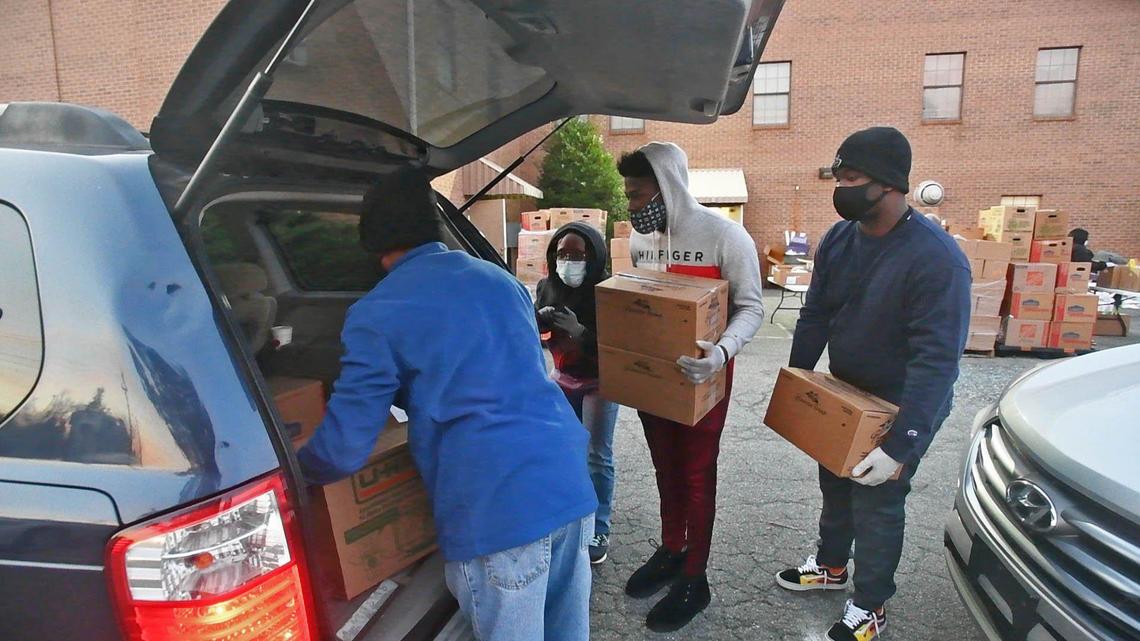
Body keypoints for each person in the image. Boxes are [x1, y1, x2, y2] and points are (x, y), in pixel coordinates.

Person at [297, 168, 597, 641]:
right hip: (567, 485)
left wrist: (294, 470)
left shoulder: (375, 313)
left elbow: (343, 450)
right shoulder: (500, 282)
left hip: (497, 513)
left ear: (372, 242)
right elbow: (508, 371)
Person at [776, 127, 970, 641]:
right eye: (837, 178)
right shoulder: (841, 239)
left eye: (852, 178)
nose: (841, 189)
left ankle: (871, 607)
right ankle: (832, 566)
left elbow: (937, 361)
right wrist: (799, 382)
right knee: (835, 481)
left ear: (890, 184)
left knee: (878, 497)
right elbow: (815, 312)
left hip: (902, 402)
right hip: (848, 390)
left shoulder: (936, 259)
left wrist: (903, 440)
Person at [616, 142, 765, 632]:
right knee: (665, 468)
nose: (632, 205)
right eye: (629, 196)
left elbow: (750, 307)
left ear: (666, 188)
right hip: (656, 381)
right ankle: (671, 548)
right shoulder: (641, 243)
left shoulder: (726, 236)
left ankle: (695, 577)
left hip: (705, 377)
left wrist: (720, 353)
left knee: (697, 474)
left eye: (637, 194)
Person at [534, 221, 620, 565]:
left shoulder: (607, 293)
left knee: (598, 455)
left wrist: (581, 331)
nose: (568, 260)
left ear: (593, 257)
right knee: (566, 450)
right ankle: (573, 513)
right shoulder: (547, 287)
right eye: (562, 253)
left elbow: (616, 349)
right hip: (563, 377)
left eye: (577, 254)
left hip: (599, 382)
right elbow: (536, 334)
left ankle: (600, 525)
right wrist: (539, 319)